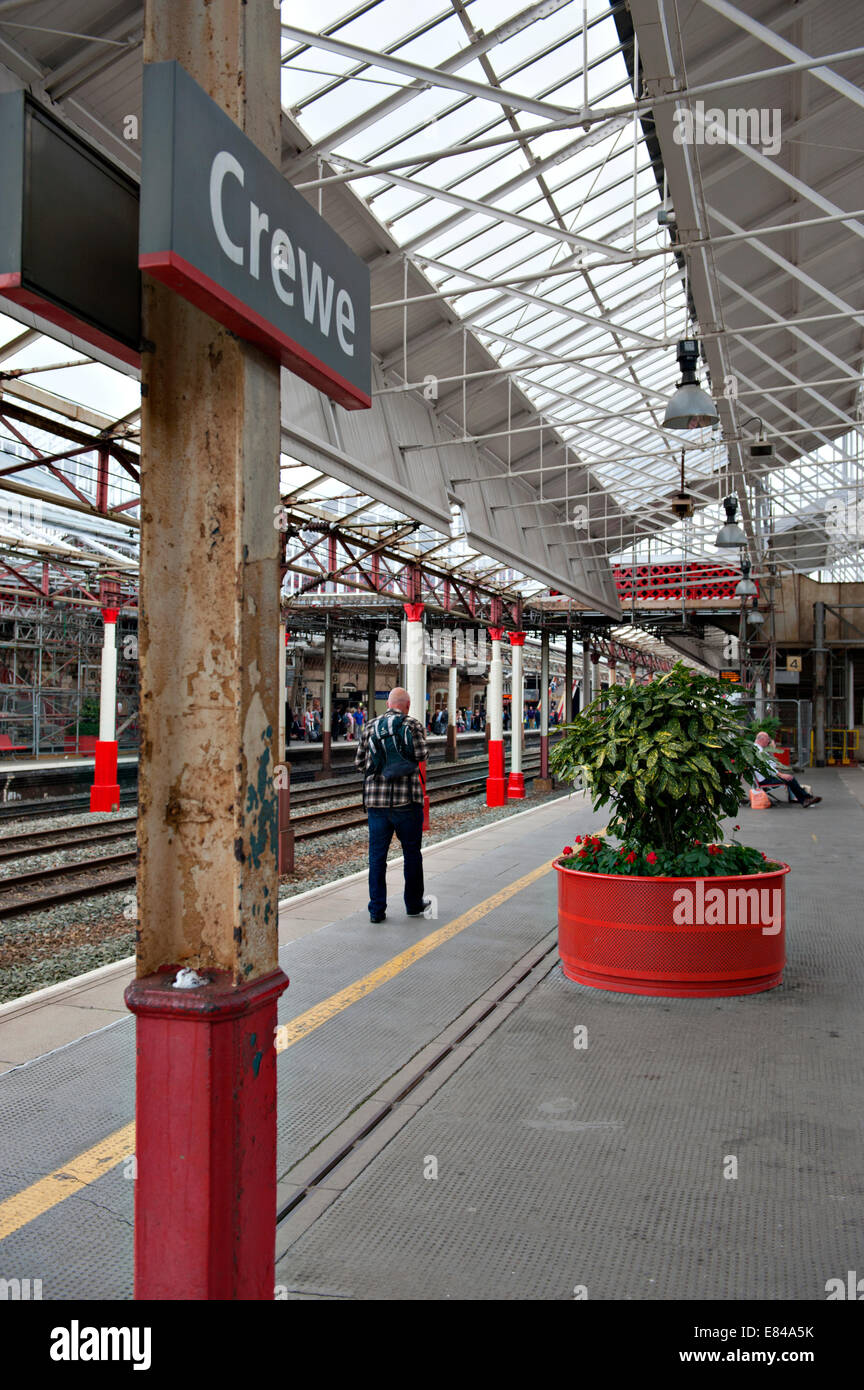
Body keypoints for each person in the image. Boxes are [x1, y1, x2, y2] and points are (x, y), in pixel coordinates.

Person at [355, 686, 431, 923]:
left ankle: (376, 911)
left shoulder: (369, 727)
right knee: (412, 854)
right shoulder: (413, 725)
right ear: (406, 706)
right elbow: (422, 755)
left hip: (376, 804)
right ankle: (413, 905)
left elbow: (359, 763)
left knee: (377, 858)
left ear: (388, 704)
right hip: (407, 802)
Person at [753, 730, 821, 808]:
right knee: (790, 779)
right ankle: (805, 799)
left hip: (763, 777)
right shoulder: (759, 751)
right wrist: (780, 774)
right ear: (762, 739)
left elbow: (771, 764)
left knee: (789, 777)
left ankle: (805, 798)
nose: (768, 742)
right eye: (768, 739)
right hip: (764, 779)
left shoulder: (757, 749)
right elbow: (767, 766)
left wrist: (772, 752)